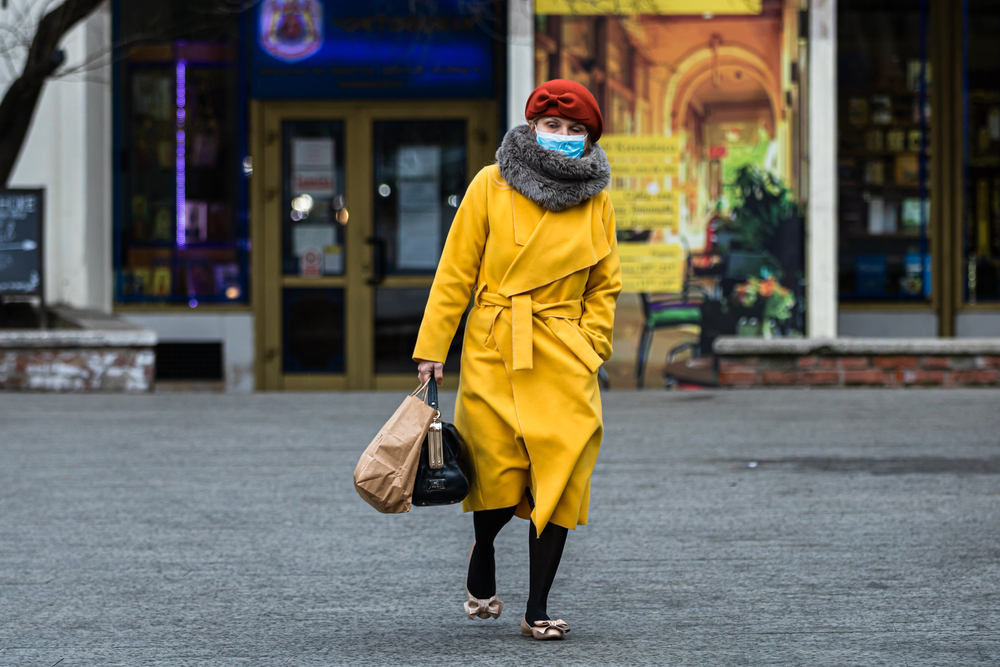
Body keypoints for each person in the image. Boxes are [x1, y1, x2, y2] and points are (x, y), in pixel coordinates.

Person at [413, 79, 621, 641]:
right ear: (532, 126)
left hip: (563, 352)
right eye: (553, 126)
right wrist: (433, 347)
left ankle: (538, 608)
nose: (563, 137)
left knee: (563, 473)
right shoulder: (491, 182)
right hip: (496, 346)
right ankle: (483, 549)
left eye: (577, 130)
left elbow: (606, 284)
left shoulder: (597, 197)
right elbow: (456, 269)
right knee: (496, 469)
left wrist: (592, 343)